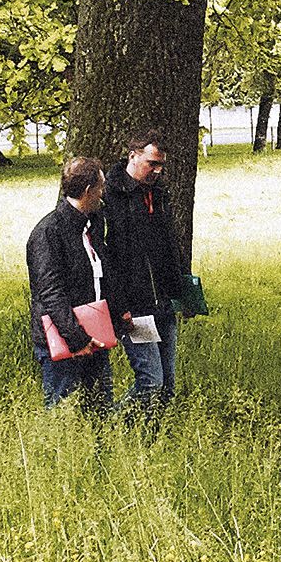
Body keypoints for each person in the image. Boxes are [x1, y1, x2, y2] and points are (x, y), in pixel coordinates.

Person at [104, 129, 186, 414]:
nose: (157, 171)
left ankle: (150, 436)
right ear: (133, 156)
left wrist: (181, 293)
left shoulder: (159, 194)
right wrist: (119, 307)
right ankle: (112, 425)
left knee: (167, 387)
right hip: (135, 307)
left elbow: (170, 246)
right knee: (151, 382)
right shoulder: (110, 196)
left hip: (163, 304)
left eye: (161, 165)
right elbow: (107, 261)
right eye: (152, 163)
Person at [24, 156, 113, 410]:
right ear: (88, 190)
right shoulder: (48, 232)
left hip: (94, 337)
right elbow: (51, 293)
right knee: (61, 413)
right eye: (100, 187)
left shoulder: (92, 224)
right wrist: (77, 339)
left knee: (101, 411)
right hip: (64, 341)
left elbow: (100, 275)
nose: (103, 193)